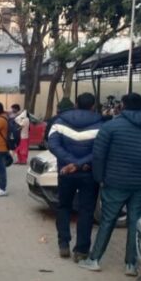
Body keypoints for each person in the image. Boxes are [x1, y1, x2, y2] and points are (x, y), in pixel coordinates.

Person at [78, 93, 141, 276]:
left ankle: (94, 259)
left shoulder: (110, 127)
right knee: (135, 222)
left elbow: (99, 155)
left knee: (108, 220)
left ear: (123, 106)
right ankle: (131, 265)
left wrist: (100, 177)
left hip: (114, 182)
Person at [48, 93, 103, 261]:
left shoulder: (59, 122)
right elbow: (100, 150)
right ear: (93, 106)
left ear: (76, 104)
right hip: (88, 173)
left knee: (64, 207)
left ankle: (63, 244)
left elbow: (53, 145)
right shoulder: (101, 124)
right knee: (86, 211)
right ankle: (81, 250)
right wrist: (80, 164)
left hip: (66, 172)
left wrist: (71, 163)